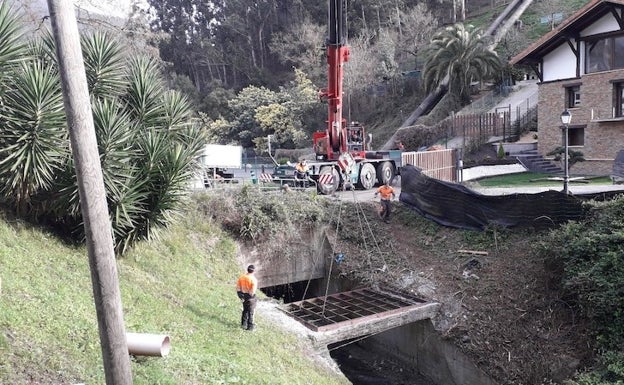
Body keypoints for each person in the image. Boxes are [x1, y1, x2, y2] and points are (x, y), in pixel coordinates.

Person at [236, 264, 258, 331]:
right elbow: (252, 291)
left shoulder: (241, 277)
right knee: (251, 312)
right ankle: (250, 327)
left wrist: (240, 295)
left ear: (247, 270)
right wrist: (253, 297)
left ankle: (243, 324)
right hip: (250, 297)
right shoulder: (253, 279)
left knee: (245, 310)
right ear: (254, 271)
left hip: (243, 295)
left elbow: (238, 288)